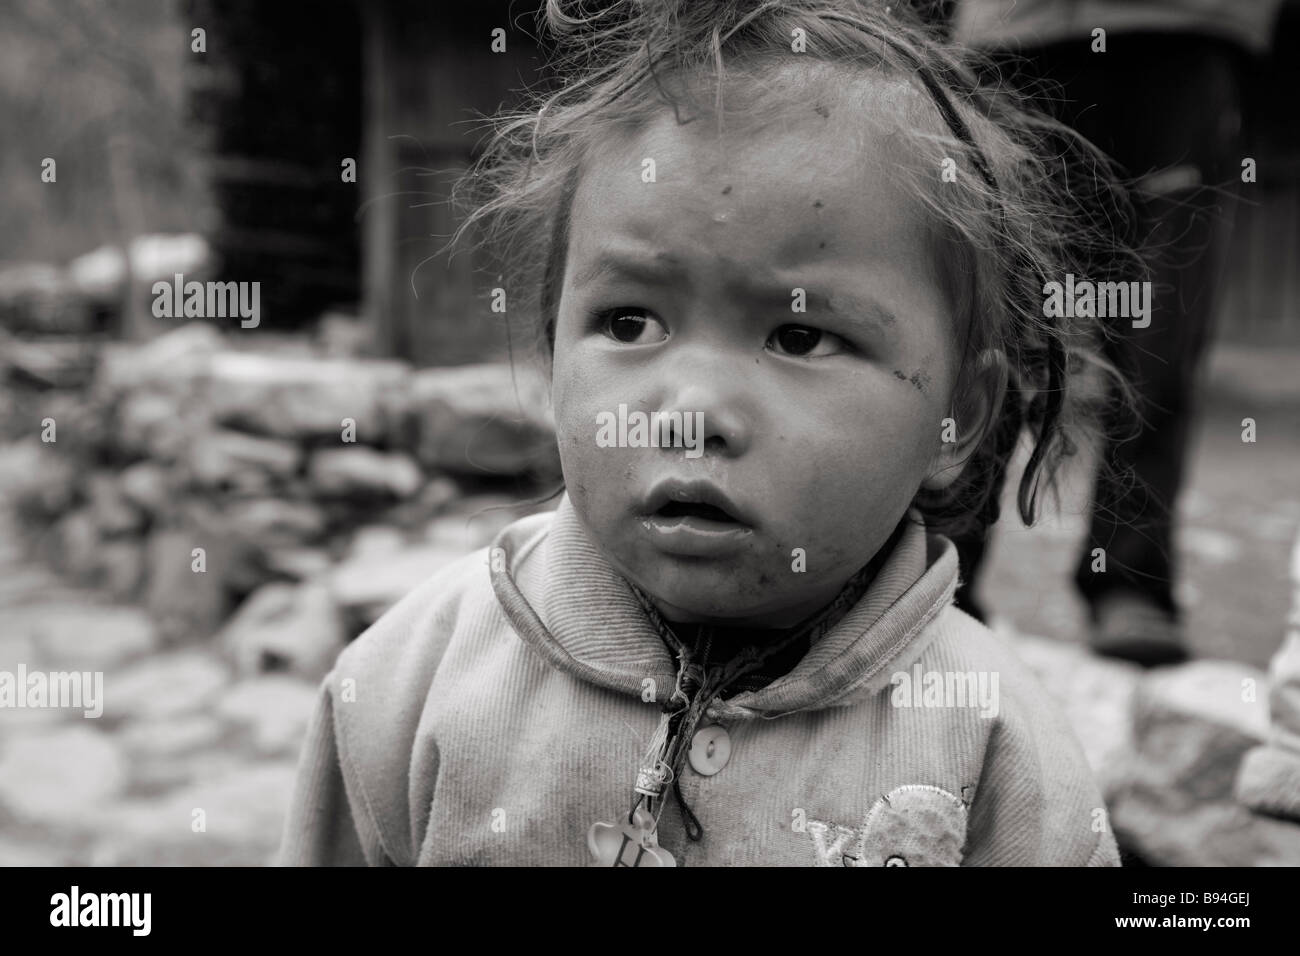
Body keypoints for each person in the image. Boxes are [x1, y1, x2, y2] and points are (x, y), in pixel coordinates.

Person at [279, 0, 1130, 867]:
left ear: (961, 416)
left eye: (800, 337)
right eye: (629, 322)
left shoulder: (997, 755)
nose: (691, 409)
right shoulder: (410, 681)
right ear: (550, 350)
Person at [950, 0, 1284, 665]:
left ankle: (1128, 577)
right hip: (1020, 33)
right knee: (991, 324)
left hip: (1189, 27)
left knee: (1161, 331)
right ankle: (942, 563)